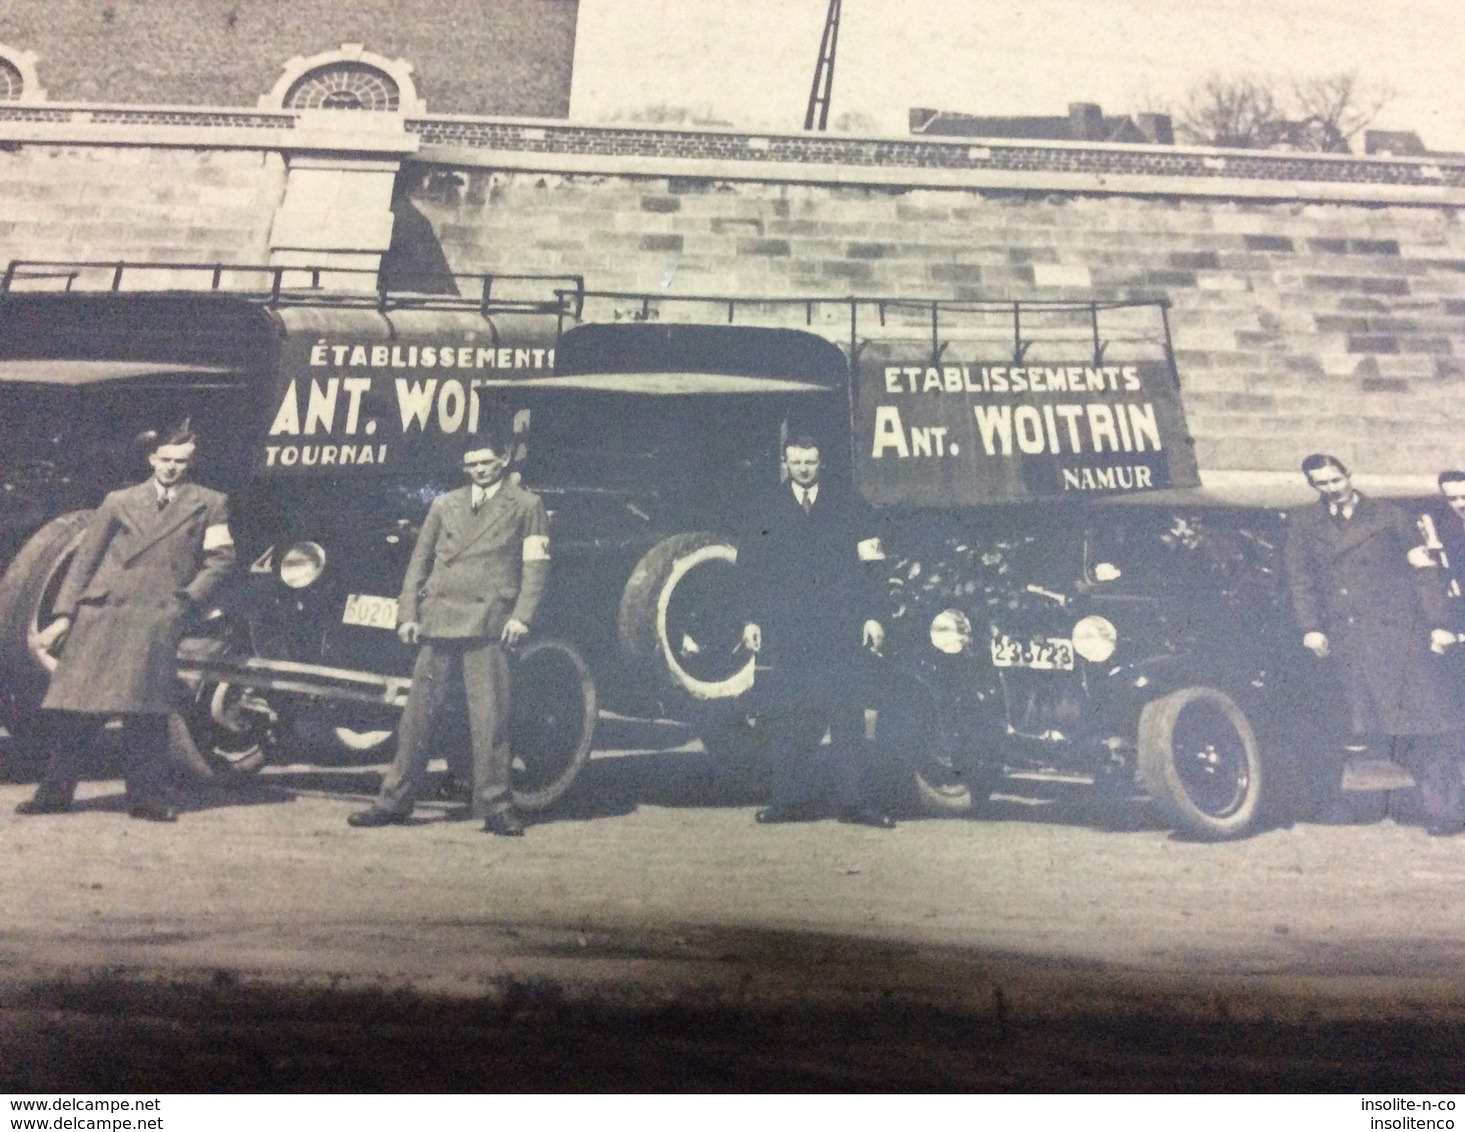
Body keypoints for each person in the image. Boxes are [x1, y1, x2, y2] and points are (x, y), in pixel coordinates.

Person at [17, 423, 236, 822]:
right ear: (152, 459)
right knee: (74, 710)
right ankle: (53, 794)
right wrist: (65, 614)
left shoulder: (209, 503)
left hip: (155, 616)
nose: (171, 468)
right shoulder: (118, 501)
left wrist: (186, 600)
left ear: (191, 463)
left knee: (146, 713)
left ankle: (147, 799)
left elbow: (221, 560)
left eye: (180, 462)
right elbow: (85, 560)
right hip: (102, 615)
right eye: (165, 460)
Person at [349, 433, 550, 836]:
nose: (478, 470)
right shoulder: (444, 504)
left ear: (504, 460)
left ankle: (496, 806)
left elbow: (535, 567)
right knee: (416, 717)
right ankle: (393, 801)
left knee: (490, 719)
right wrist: (408, 614)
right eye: (471, 464)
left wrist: (522, 616)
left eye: (486, 462)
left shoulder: (527, 505)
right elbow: (418, 563)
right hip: (438, 619)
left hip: (488, 620)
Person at [1283, 454, 1463, 836]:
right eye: (1322, 483)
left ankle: (1444, 811)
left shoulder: (1389, 516)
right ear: (1312, 486)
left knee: (1423, 725)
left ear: (1349, 475)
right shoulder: (1303, 523)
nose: (1332, 488)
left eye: (1336, 479)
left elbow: (1424, 573)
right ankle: (1334, 803)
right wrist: (1311, 627)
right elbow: (1300, 580)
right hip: (1346, 641)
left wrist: (1439, 624)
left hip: (1399, 636)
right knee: (1344, 726)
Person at [738, 430, 894, 828]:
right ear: (786, 463)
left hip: (840, 626)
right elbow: (749, 570)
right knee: (788, 715)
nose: (804, 469)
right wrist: (751, 619)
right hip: (788, 629)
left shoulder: (850, 505)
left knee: (847, 714)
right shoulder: (764, 507)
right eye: (797, 462)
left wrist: (874, 616)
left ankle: (855, 804)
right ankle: (786, 802)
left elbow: (873, 566)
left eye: (810, 462)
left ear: (820, 462)